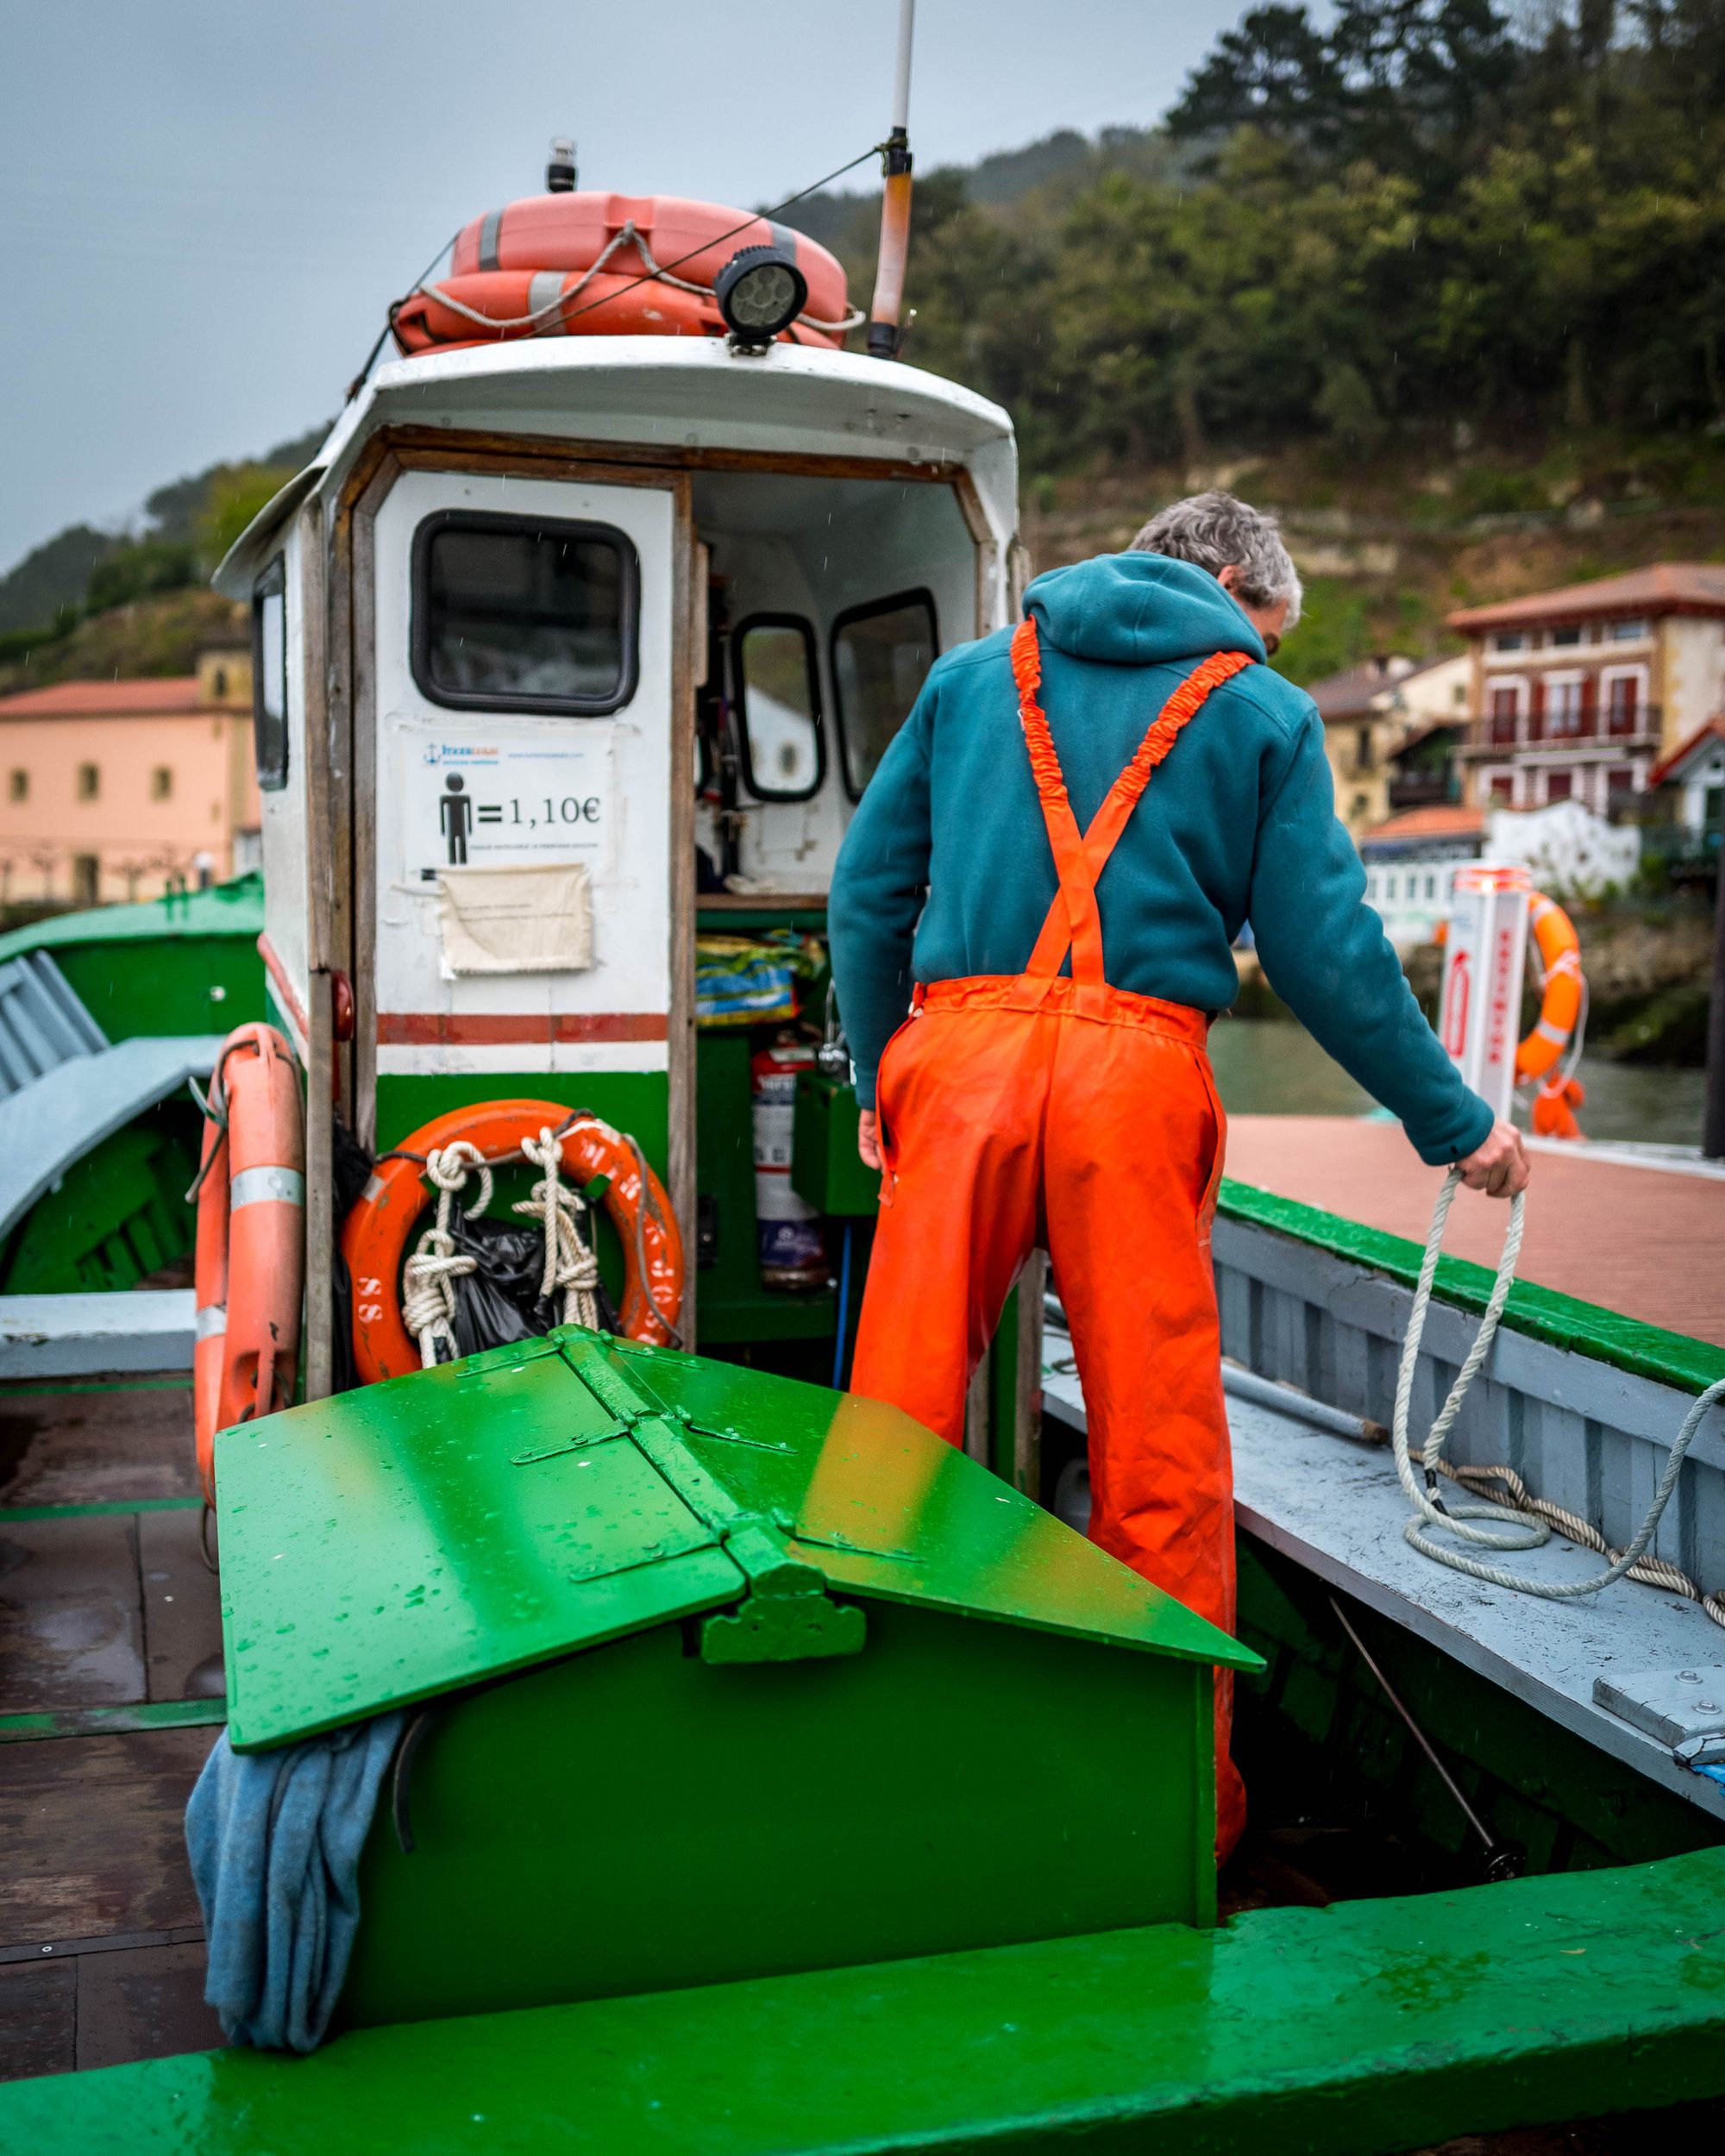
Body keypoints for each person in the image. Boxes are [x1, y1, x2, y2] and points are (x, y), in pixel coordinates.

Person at [827, 491, 1527, 1862]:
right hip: (1134, 1080)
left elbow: (865, 891)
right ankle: (1170, 1819)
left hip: (952, 1058)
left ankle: (853, 1747)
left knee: (893, 1417)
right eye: (1256, 630)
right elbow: (1327, 958)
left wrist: (873, 1078)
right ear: (1220, 578)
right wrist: (1456, 1125)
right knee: (1159, 1461)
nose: (1252, 659)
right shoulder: (1263, 716)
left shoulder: (973, 677)